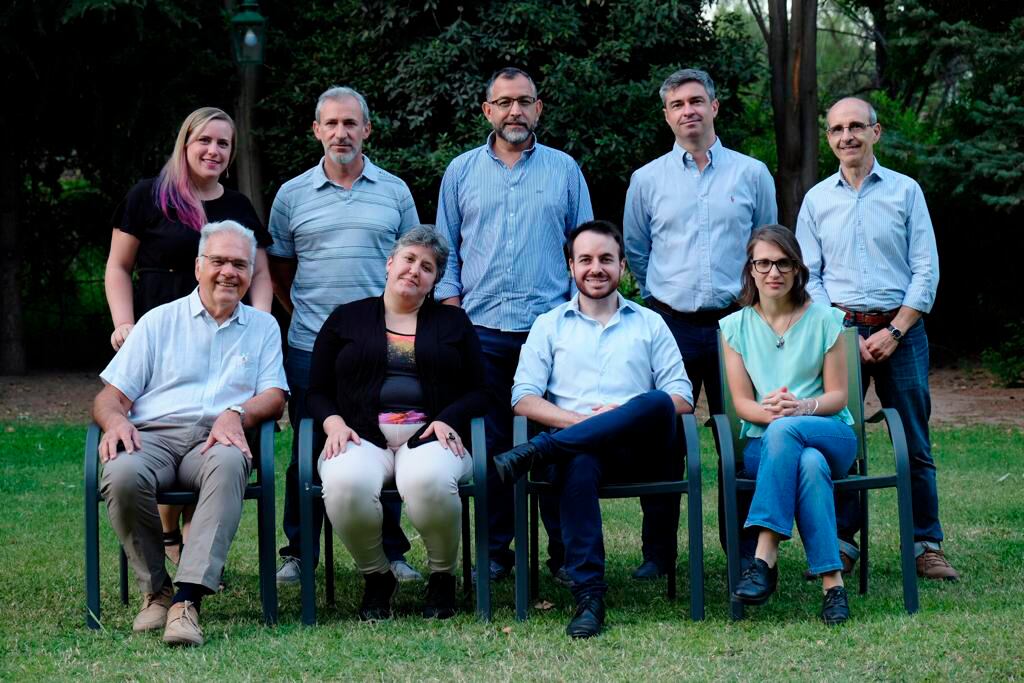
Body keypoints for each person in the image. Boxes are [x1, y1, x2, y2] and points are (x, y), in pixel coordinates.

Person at [493, 220, 694, 639]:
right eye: (585, 259)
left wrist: (620, 413)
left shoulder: (650, 323)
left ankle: (539, 449)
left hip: (642, 453)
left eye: (606, 259)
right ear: (571, 266)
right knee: (579, 461)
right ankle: (589, 596)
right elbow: (523, 398)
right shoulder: (549, 325)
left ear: (623, 266)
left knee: (656, 401)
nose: (596, 268)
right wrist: (586, 424)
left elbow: (680, 397)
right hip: (578, 451)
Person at [94, 221, 288, 646]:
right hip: (154, 437)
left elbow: (274, 395)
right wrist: (116, 421)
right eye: (218, 261)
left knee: (231, 460)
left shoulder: (262, 328)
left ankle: (186, 601)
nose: (228, 272)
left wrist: (237, 411)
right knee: (122, 473)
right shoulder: (157, 322)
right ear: (198, 266)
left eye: (240, 264)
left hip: (218, 438)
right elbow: (109, 397)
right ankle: (156, 589)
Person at [435, 67, 593, 583]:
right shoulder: (460, 171)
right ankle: (496, 554)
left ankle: (564, 554)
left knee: (555, 442)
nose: (514, 112)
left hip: (550, 331)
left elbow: (584, 248)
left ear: (538, 108)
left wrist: (577, 315)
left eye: (524, 101)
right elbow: (447, 250)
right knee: (491, 445)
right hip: (481, 333)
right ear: (487, 111)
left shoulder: (565, 170)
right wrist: (453, 310)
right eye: (503, 102)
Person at [796, 97, 958, 581]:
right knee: (841, 439)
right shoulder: (816, 200)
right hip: (840, 334)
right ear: (829, 138)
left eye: (855, 127)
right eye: (836, 130)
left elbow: (925, 268)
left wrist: (895, 329)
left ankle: (925, 545)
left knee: (913, 441)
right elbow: (810, 275)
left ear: (876, 132)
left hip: (901, 332)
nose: (846, 137)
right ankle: (844, 543)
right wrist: (842, 329)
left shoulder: (906, 192)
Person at [104, 106, 274, 567]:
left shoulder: (236, 206)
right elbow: (118, 267)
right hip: (160, 327)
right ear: (185, 143)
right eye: (205, 141)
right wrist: (124, 323)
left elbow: (258, 272)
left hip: (226, 324)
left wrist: (257, 325)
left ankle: (192, 550)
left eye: (223, 144)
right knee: (168, 416)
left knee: (210, 419)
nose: (214, 150)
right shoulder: (148, 196)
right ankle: (167, 536)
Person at [623, 68, 777, 577]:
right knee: (664, 437)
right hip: (671, 324)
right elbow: (638, 252)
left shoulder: (752, 174)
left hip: (738, 323)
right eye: (677, 105)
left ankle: (745, 553)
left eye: (696, 101)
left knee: (743, 436)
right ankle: (659, 554)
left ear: (715, 106)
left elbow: (768, 247)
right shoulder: (646, 180)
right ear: (666, 115)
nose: (688, 111)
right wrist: (656, 301)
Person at [269, 86, 421, 585]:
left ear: (367, 130)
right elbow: (280, 268)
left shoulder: (395, 192)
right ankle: (299, 551)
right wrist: (316, 320)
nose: (341, 133)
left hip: (384, 345)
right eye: (331, 124)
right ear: (316, 130)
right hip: (311, 344)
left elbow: (412, 264)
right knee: (309, 446)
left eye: (350, 123)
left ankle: (392, 552)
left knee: (388, 441)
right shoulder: (291, 195)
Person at [306, 225, 490, 620]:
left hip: (429, 436)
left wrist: (448, 418)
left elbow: (481, 390)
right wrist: (333, 423)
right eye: (409, 259)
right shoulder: (346, 318)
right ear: (390, 264)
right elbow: (316, 389)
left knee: (428, 481)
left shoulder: (453, 323)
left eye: (427, 267)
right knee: (342, 483)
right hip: (360, 435)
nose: (415, 270)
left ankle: (442, 575)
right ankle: (377, 575)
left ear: (434, 282)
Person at [720, 225, 856, 625]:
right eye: (763, 263)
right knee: (807, 464)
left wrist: (800, 408)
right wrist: (778, 416)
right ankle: (833, 586)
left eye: (783, 263)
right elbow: (743, 403)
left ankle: (764, 556)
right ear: (751, 269)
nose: (773, 272)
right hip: (769, 444)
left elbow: (838, 397)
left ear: (797, 269)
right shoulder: (735, 327)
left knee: (795, 438)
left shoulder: (826, 320)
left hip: (829, 431)